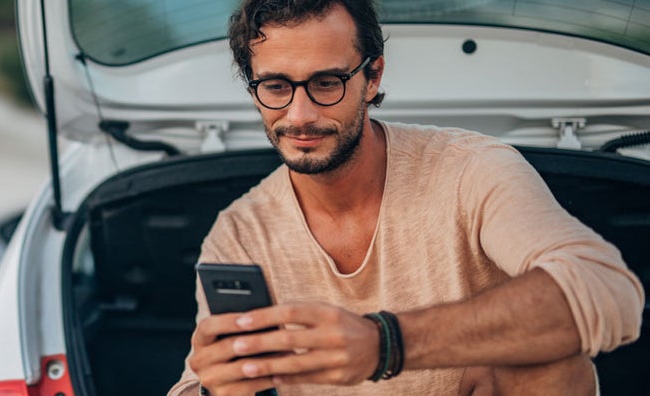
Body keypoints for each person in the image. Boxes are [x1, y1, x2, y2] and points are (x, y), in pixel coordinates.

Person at [168, 0, 644, 395]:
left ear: (372, 78)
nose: (300, 113)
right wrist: (215, 387)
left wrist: (385, 343)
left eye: (326, 83)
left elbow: (606, 288)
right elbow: (192, 383)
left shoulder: (471, 169)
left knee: (550, 362)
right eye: (275, 86)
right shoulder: (240, 231)